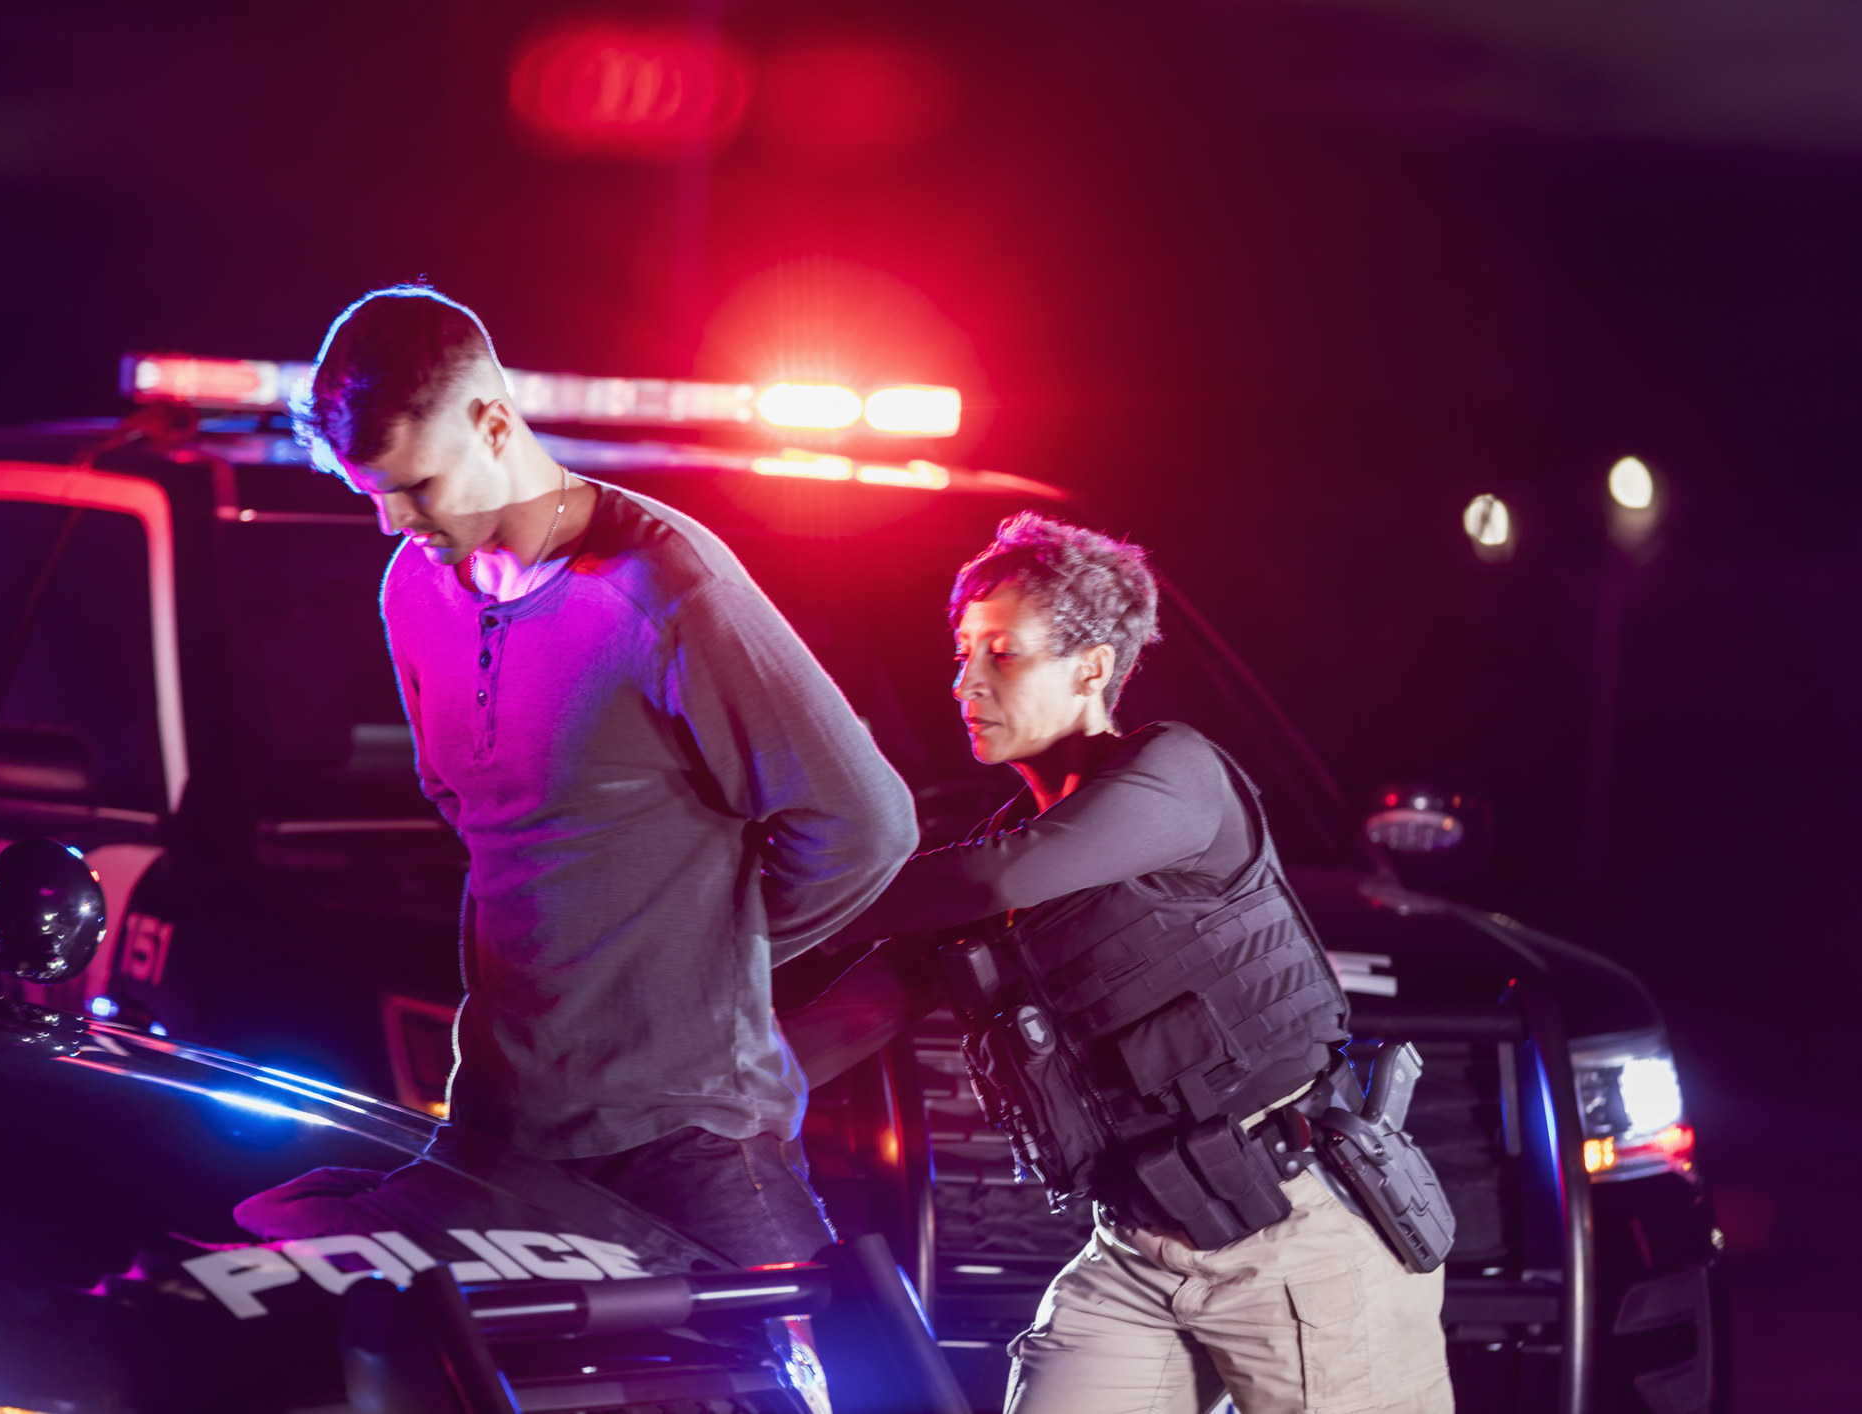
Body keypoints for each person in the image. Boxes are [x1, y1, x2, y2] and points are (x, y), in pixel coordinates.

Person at [293, 283, 918, 1267]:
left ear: (494, 422)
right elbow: (471, 809)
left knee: (823, 1372)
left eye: (415, 486)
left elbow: (866, 822)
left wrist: (711, 949)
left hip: (687, 1137)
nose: (391, 521)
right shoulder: (413, 587)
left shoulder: (665, 587)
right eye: (370, 493)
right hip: (499, 1128)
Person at [782, 512, 1452, 1414]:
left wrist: (767, 899)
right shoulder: (988, 867)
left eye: (1002, 653)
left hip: (1303, 1241)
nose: (964, 679)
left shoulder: (1174, 776)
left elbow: (997, 876)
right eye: (962, 651)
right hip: (1138, 1250)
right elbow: (840, 1025)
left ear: (1092, 668)